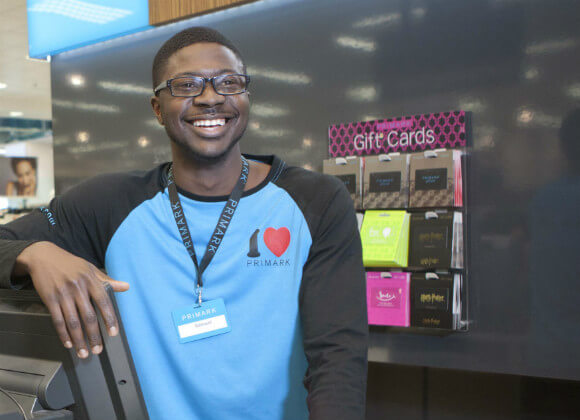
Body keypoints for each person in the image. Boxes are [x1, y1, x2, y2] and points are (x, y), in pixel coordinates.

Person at [0, 27, 368, 419]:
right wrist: (35, 253)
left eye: (229, 83)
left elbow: (338, 356)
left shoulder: (316, 201)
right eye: (186, 85)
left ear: (246, 97)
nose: (211, 98)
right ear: (157, 108)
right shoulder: (108, 204)